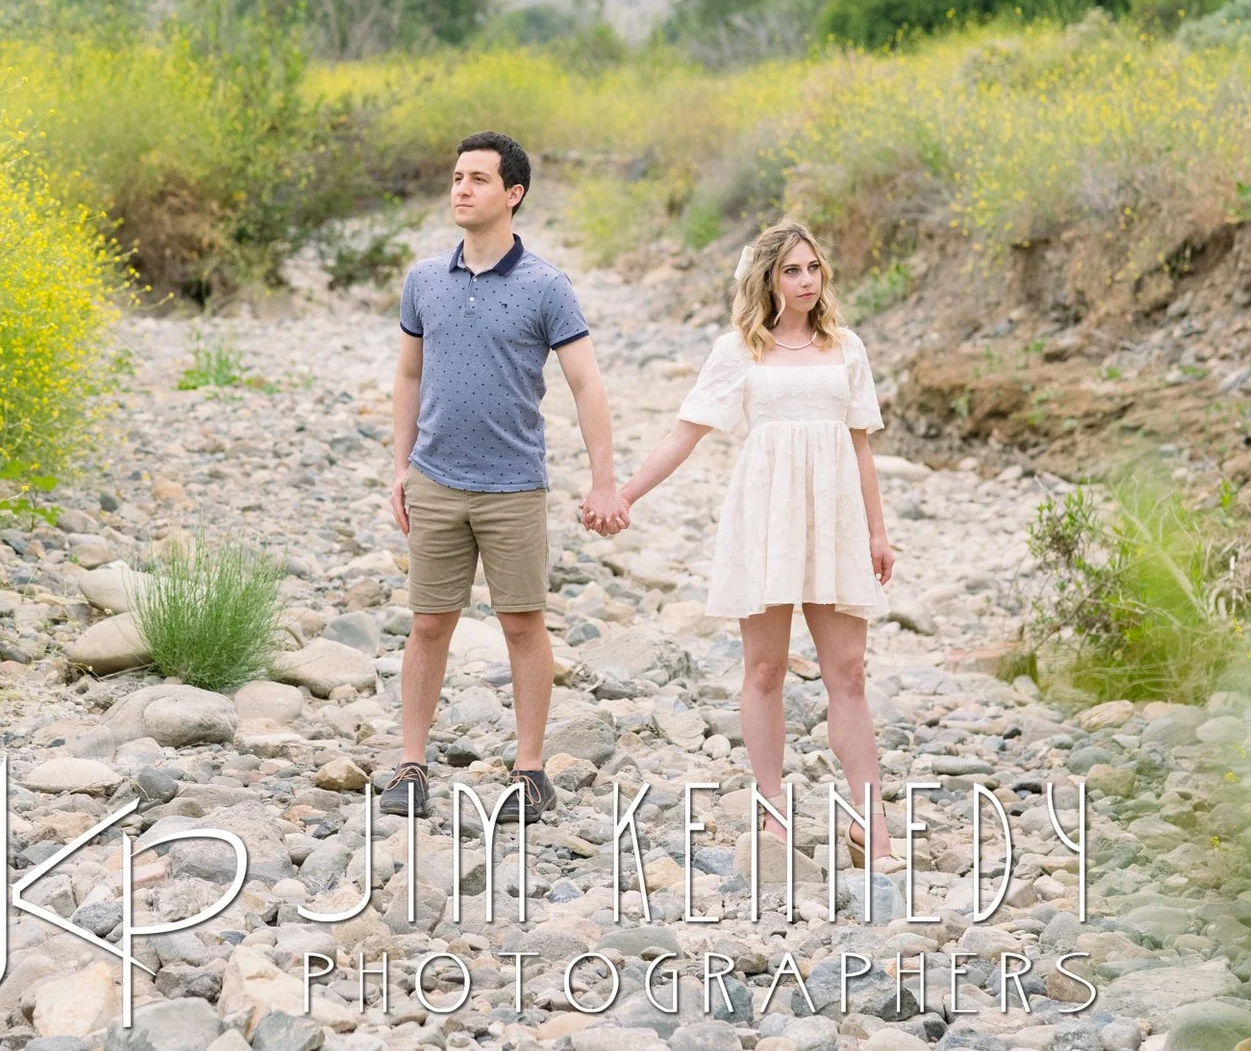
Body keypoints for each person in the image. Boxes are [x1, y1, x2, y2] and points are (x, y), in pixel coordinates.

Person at [583, 219, 899, 862]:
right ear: (767, 279)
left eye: (813, 268)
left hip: (834, 517)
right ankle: (773, 812)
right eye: (791, 270)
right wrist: (623, 494)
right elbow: (684, 435)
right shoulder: (738, 351)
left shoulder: (846, 347)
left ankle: (870, 819)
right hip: (767, 516)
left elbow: (861, 444)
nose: (806, 280)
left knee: (849, 672)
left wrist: (877, 531)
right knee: (765, 669)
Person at [382, 130, 617, 824]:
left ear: (513, 193)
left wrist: (604, 482)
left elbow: (586, 385)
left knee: (521, 624)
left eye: (478, 179)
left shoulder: (546, 286)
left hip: (513, 484)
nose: (461, 188)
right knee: (429, 624)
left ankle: (530, 771)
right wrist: (399, 468)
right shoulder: (425, 280)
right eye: (457, 177)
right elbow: (407, 374)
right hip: (435, 478)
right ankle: (411, 765)